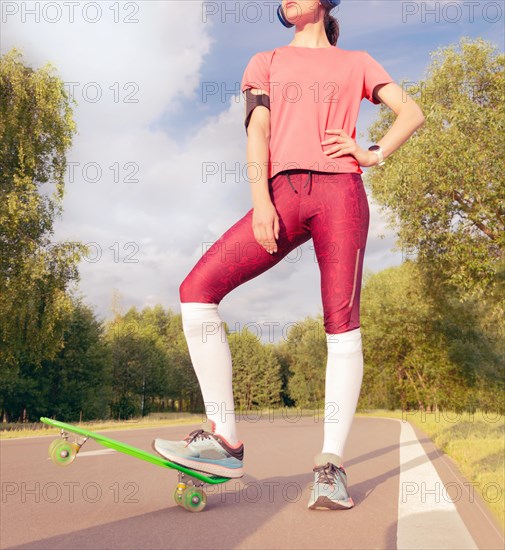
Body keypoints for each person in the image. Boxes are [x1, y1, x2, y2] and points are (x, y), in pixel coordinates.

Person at [153, 0, 425, 510]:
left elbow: (412, 112)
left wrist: (372, 152)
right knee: (197, 291)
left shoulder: (358, 62)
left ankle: (330, 466)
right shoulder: (265, 61)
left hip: (341, 196)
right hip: (279, 195)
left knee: (341, 323)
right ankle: (226, 442)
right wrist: (261, 201)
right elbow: (257, 130)